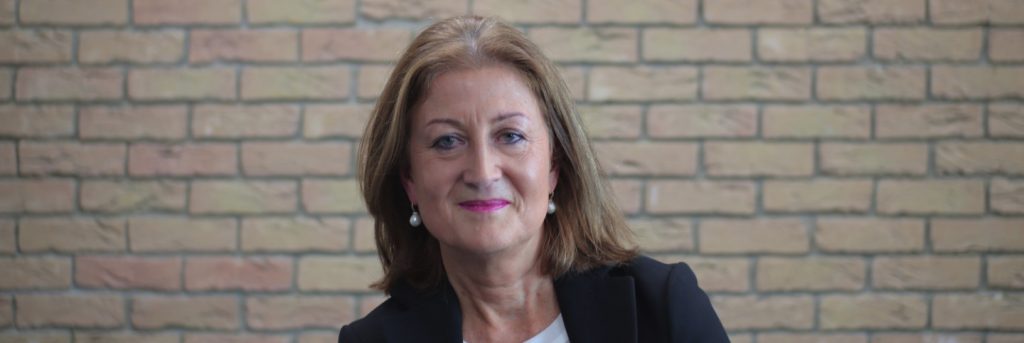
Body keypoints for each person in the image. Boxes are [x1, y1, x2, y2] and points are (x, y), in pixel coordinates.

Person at [341, 15, 729, 343]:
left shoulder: (662, 306)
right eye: (447, 141)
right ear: (409, 179)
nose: (482, 172)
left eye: (510, 136)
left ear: (554, 165)